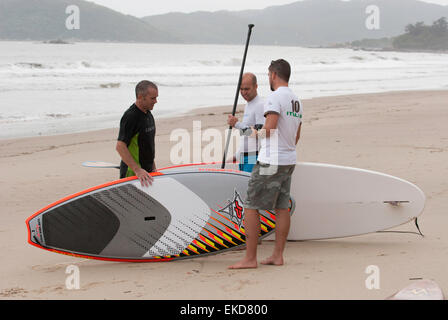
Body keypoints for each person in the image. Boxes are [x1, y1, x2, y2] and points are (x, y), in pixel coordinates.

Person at [229, 59, 303, 269]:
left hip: (271, 160)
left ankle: (250, 258)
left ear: (273, 75)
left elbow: (268, 129)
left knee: (251, 206)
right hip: (289, 159)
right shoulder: (297, 101)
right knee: (281, 208)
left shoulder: (274, 97)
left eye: (268, 74)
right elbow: (297, 135)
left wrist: (247, 130)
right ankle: (277, 256)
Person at [116, 80, 158, 187]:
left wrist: (153, 167)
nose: (156, 101)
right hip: (133, 174)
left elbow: (148, 144)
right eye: (152, 98)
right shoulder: (131, 117)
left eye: (156, 97)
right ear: (140, 97)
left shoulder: (148, 114)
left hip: (146, 174)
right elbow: (120, 146)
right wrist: (137, 170)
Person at [227, 73, 265, 172]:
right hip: (244, 156)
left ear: (256, 86)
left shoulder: (260, 105)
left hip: (254, 156)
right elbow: (246, 136)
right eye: (241, 89)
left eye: (247, 89)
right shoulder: (248, 105)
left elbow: (260, 134)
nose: (243, 92)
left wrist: (237, 124)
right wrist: (236, 155)